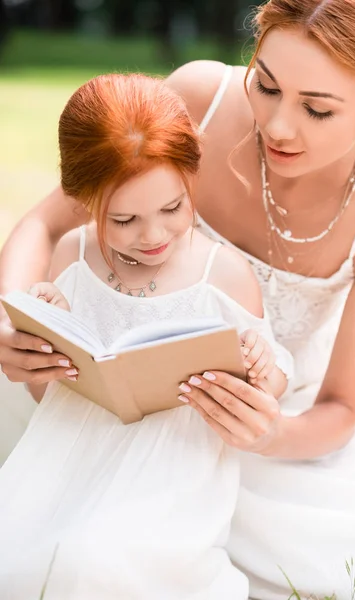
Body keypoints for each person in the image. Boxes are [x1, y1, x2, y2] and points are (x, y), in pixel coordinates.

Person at [1, 0, 355, 597]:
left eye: (316, 109)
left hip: (271, 412)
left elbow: (340, 408)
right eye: (265, 85)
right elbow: (45, 225)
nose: (278, 125)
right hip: (111, 371)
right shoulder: (197, 102)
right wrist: (12, 320)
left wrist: (267, 435)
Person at [0, 72, 293, 599]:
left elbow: (266, 384)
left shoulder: (222, 275)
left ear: (191, 179)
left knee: (103, 561)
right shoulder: (74, 253)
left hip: (170, 466)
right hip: (71, 448)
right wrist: (50, 332)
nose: (153, 235)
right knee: (23, 555)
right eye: (125, 219)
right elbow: (47, 392)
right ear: (84, 200)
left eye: (173, 208)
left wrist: (261, 371)